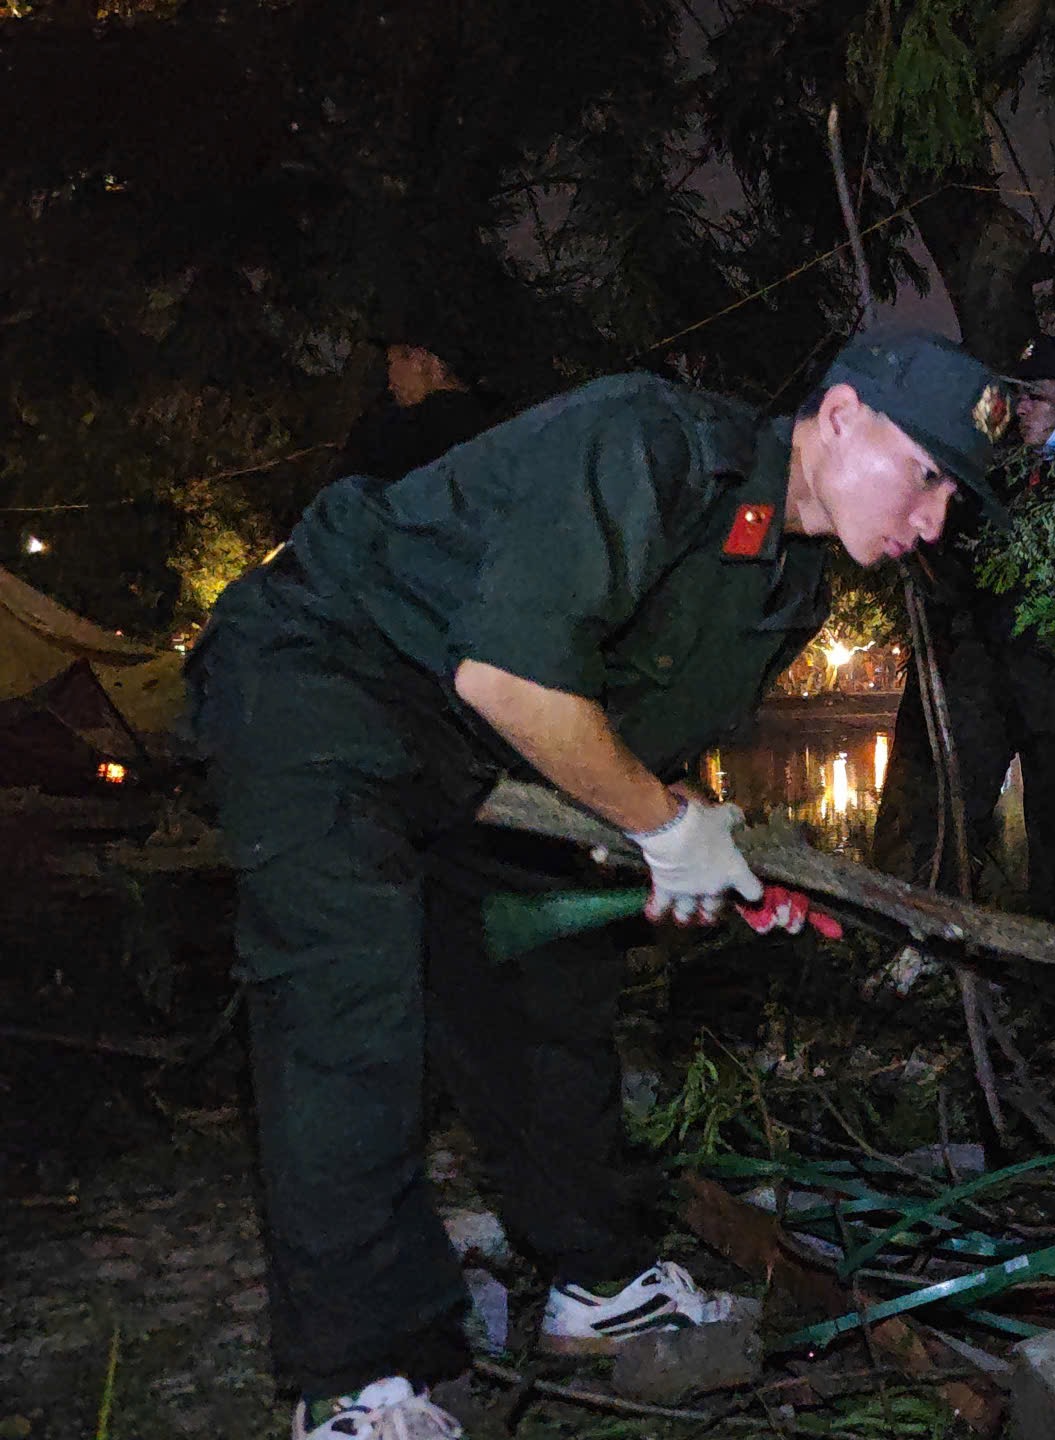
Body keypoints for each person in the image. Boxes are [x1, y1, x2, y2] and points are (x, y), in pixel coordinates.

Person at [184, 330, 1011, 1440]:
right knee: (350, 1006)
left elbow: (627, 736)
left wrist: (708, 856)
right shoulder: (648, 443)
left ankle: (597, 1282)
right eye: (927, 475)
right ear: (844, 414)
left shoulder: (791, 582)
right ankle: (356, 1376)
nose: (933, 522)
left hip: (486, 747)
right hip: (328, 672)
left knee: (543, 984)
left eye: (954, 497)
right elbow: (511, 673)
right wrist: (666, 827)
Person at [872, 334, 1055, 930]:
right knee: (953, 824)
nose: (1023, 406)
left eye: (1038, 396)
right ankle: (936, 953)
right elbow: (943, 563)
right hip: (979, 678)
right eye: (1020, 395)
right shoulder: (988, 482)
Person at [332, 330, 502, 485]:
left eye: (390, 363)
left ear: (419, 358)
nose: (390, 385)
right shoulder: (489, 422)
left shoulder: (414, 428)